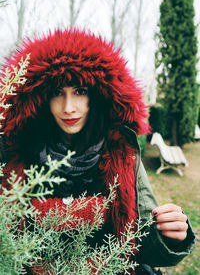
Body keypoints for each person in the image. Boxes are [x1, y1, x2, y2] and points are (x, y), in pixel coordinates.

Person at [0, 29, 195, 274]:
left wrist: (169, 234)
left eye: (80, 91)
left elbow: (139, 244)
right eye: (57, 93)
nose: (68, 107)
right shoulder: (14, 153)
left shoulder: (121, 153)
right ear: (41, 97)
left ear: (97, 94)